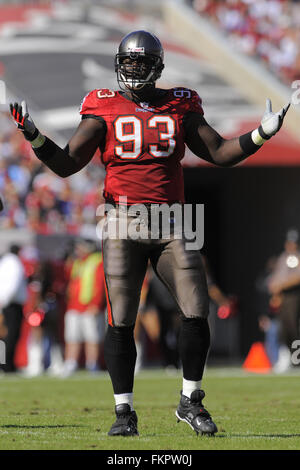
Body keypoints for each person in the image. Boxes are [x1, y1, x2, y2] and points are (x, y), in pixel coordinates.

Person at [9, 30, 289, 436]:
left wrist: (261, 133)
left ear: (157, 67)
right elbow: (68, 164)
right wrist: (33, 135)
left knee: (197, 308)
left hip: (174, 220)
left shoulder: (180, 103)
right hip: (121, 219)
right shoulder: (102, 106)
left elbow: (220, 152)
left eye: (142, 64)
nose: (134, 70)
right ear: (118, 64)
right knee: (121, 318)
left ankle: (191, 401)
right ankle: (124, 412)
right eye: (129, 62)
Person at [62, 238, 106, 376]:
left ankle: (92, 364)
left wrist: (96, 304)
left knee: (92, 337)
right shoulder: (78, 262)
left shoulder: (97, 261)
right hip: (74, 306)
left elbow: (100, 285)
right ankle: (71, 363)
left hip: (89, 306)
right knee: (72, 337)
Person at [268, 229, 300, 372]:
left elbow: (297, 277)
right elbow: (276, 276)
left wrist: (281, 285)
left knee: (294, 327)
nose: (291, 245)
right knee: (283, 328)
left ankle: (296, 358)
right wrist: (274, 290)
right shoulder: (282, 258)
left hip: (294, 296)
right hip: (283, 298)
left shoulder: (297, 257)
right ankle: (287, 356)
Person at [0, 244, 28, 372]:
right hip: (11, 304)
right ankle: (7, 365)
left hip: (6, 303)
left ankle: (4, 363)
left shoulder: (5, 262)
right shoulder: (14, 263)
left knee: (5, 335)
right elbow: (13, 284)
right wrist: (5, 299)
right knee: (10, 335)